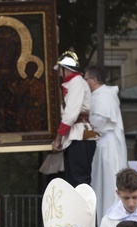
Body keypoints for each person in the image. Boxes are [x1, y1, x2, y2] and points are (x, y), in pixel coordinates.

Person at [85, 65, 127, 220]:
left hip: (108, 145)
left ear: (94, 80)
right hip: (102, 143)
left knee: (108, 185)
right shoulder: (99, 95)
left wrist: (86, 129)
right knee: (100, 185)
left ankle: (111, 221)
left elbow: (99, 121)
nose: (85, 82)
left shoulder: (103, 96)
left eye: (86, 79)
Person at [52, 51, 97, 186]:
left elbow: (70, 115)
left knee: (80, 182)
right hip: (77, 136)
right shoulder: (73, 83)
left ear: (66, 69)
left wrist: (58, 138)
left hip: (80, 136)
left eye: (60, 69)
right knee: (73, 182)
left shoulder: (76, 82)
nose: (59, 73)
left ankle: (85, 208)